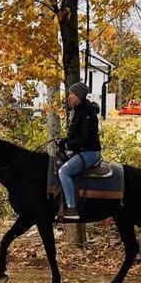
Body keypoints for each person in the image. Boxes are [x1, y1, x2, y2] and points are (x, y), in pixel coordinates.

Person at [57, 82, 102, 221]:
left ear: (79, 96)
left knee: (63, 172)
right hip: (81, 151)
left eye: (72, 94)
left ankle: (71, 208)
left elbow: (86, 137)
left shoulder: (87, 112)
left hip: (90, 153)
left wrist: (68, 145)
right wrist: (63, 141)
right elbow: (75, 135)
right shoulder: (77, 110)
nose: (69, 97)